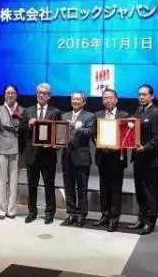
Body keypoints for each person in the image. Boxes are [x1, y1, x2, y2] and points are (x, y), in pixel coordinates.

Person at [129, 84, 158, 235]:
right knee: (140, 192)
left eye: (144, 94)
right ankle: (141, 218)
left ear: (152, 96)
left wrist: (145, 148)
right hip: (138, 158)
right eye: (139, 95)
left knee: (150, 193)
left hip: (150, 160)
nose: (141, 97)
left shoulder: (156, 112)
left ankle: (150, 222)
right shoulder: (139, 110)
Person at [24, 83, 61, 224]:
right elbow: (21, 130)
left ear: (49, 96)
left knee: (49, 185)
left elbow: (59, 133)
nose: (41, 95)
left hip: (48, 154)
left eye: (45, 93)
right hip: (32, 154)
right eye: (39, 92)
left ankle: (49, 213)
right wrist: (28, 125)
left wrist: (54, 145)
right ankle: (32, 212)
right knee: (31, 185)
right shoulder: (28, 111)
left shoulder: (55, 112)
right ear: (36, 94)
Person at [0, 84, 27, 220]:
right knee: (0, 180)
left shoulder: (22, 110)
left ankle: (11, 210)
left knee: (14, 181)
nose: (10, 95)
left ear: (16, 95)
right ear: (4, 95)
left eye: (12, 93)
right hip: (1, 148)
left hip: (16, 149)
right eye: (7, 93)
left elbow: (24, 131)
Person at [94, 88, 129, 232]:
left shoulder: (124, 115)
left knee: (115, 189)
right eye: (105, 98)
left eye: (110, 97)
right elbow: (94, 134)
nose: (107, 100)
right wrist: (99, 143)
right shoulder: (97, 115)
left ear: (116, 99)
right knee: (103, 188)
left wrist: (118, 145)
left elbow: (127, 137)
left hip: (117, 158)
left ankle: (114, 219)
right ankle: (105, 215)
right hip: (102, 156)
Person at [60, 91, 96, 227]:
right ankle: (71, 212)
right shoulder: (64, 115)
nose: (75, 101)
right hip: (66, 156)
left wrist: (76, 127)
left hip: (81, 157)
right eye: (73, 99)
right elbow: (59, 133)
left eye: (77, 99)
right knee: (68, 186)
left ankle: (82, 214)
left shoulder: (90, 116)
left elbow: (90, 132)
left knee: (82, 188)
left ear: (84, 102)